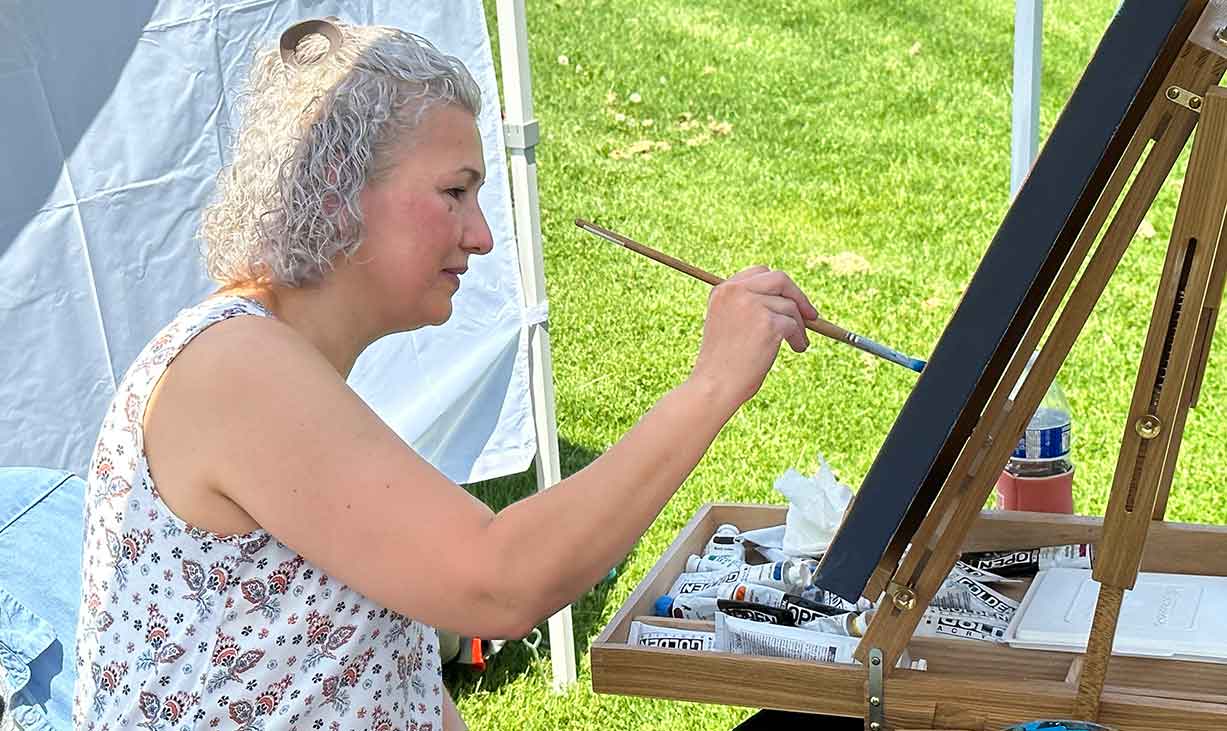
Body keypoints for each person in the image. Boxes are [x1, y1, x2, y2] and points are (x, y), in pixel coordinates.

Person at [72, 18, 818, 731]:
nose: (482, 235)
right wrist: (709, 387)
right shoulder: (234, 370)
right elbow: (497, 581)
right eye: (454, 192)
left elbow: (377, 670)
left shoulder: (278, 365)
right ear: (337, 184)